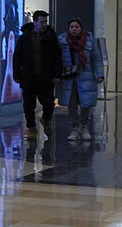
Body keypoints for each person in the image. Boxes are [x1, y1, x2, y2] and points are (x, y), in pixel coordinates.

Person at [12, 9, 61, 139]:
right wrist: (17, 74)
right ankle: (31, 127)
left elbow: (57, 56)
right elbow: (17, 57)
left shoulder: (51, 38)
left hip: (46, 77)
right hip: (29, 76)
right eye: (41, 22)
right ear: (34, 22)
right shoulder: (25, 38)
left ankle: (45, 119)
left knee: (49, 103)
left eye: (46, 22)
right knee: (28, 105)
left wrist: (57, 74)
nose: (44, 25)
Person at [58, 18, 104, 141]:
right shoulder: (62, 41)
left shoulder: (89, 41)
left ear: (81, 28)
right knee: (71, 105)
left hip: (86, 76)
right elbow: (58, 59)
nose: (74, 29)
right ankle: (74, 128)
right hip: (70, 78)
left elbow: (96, 58)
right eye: (72, 27)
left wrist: (99, 74)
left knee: (86, 104)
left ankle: (84, 127)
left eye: (76, 27)